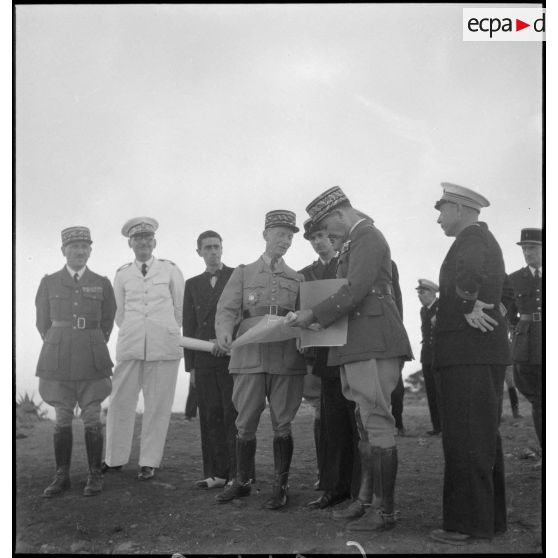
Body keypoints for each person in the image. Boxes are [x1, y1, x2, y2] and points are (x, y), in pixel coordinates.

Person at [289, 187, 413, 533]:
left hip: (373, 341)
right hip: (358, 342)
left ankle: (384, 512)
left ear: (339, 214)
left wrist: (312, 314)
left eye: (328, 227)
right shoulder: (353, 242)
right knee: (364, 422)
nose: (328, 235)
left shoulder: (367, 237)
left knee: (377, 421)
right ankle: (366, 500)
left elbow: (355, 289)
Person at [429, 182, 510, 545]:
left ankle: (465, 525)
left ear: (460, 209)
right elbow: (502, 289)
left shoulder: (472, 238)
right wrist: (482, 307)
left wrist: (466, 305)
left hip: (467, 356)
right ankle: (488, 520)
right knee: (482, 437)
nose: (439, 219)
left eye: (442, 211)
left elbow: (470, 272)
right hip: (479, 355)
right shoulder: (482, 238)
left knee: (466, 439)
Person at [214, 210, 306, 510]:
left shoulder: (298, 278)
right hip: (249, 356)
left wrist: (303, 340)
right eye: (280, 234)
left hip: (285, 358)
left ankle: (281, 486)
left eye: (290, 236)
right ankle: (242, 481)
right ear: (265, 235)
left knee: (283, 422)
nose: (285, 240)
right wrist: (224, 331)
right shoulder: (243, 273)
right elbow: (227, 309)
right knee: (245, 421)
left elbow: (305, 318)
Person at [35, 226, 116, 497]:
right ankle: (62, 476)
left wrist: (93, 341)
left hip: (92, 356)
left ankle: (94, 474)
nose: (80, 251)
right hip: (58, 357)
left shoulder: (102, 282)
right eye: (74, 247)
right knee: (62, 417)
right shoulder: (49, 282)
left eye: (84, 247)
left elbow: (107, 320)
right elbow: (42, 322)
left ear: (90, 250)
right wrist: (59, 341)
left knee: (92, 416)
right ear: (63, 251)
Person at [103, 217, 185, 481]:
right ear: (130, 243)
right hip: (131, 343)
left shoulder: (170, 269)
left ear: (154, 242)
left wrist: (163, 330)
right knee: (120, 401)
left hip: (164, 345)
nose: (143, 243)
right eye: (138, 239)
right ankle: (114, 459)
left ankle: (149, 462)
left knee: (158, 405)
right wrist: (136, 330)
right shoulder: (122, 274)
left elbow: (179, 308)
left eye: (148, 239)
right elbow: (119, 312)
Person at [300, 218, 360, 510]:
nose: (319, 242)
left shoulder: (350, 264)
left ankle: (359, 490)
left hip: (351, 351)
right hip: (323, 357)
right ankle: (333, 487)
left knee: (356, 422)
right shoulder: (306, 274)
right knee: (330, 424)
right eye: (313, 238)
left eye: (322, 235)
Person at [183, 230, 237, 490]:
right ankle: (216, 474)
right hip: (203, 359)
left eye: (216, 246)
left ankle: (238, 473)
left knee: (233, 414)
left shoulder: (236, 276)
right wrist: (191, 367)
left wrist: (228, 342)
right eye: (208, 248)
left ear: (222, 248)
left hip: (230, 356)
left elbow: (241, 316)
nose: (213, 252)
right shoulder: (192, 284)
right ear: (199, 252)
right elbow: (189, 326)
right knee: (210, 415)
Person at [503, 228, 542, 448]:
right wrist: (519, 330)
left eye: (533, 248)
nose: (527, 253)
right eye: (525, 249)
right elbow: (509, 312)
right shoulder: (514, 279)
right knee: (538, 401)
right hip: (527, 346)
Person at [415, 278, 442, 435]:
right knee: (431, 392)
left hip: (439, 355)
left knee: (441, 392)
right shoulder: (423, 310)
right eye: (418, 293)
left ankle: (445, 426)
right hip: (426, 355)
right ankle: (437, 427)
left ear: (432, 293)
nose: (420, 296)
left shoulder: (441, 307)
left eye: (422, 292)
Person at [389, 261, 406, 437]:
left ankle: (398, 423)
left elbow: (397, 300)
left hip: (391, 334)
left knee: (396, 387)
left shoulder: (390, 265)